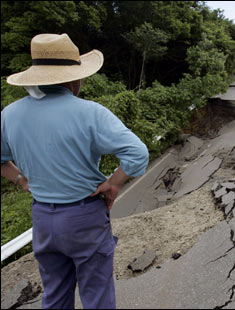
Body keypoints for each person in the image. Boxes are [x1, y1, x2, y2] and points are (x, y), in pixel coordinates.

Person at [1, 33, 149, 309]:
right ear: (73, 78)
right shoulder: (90, 112)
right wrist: (113, 183)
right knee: (96, 296)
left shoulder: (9, 115)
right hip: (84, 217)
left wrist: (21, 179)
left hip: (43, 217)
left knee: (55, 294)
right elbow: (137, 154)